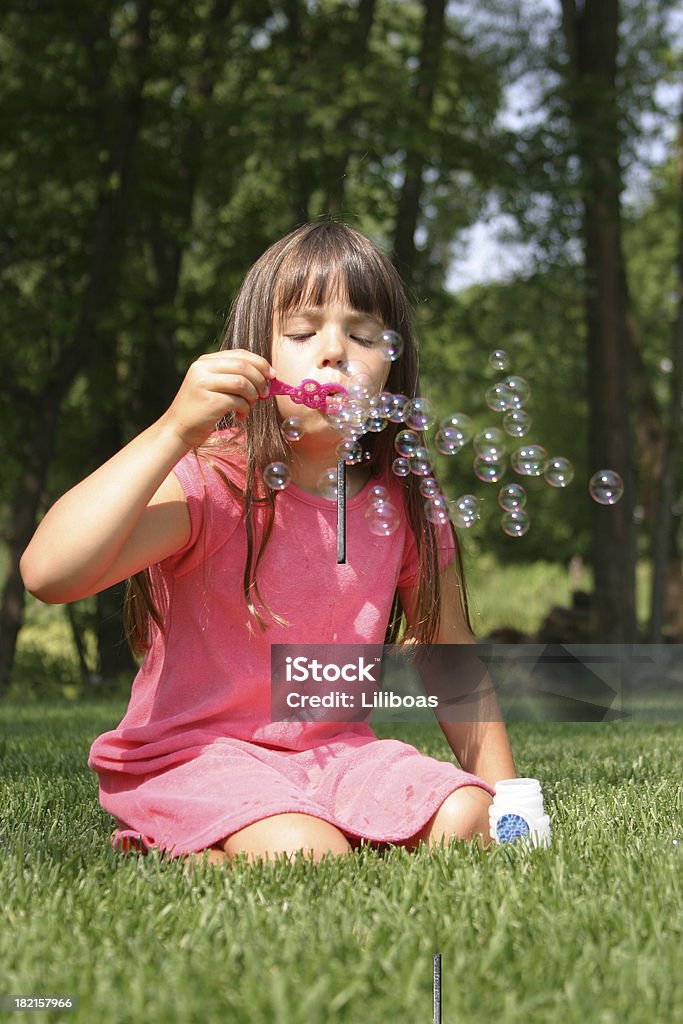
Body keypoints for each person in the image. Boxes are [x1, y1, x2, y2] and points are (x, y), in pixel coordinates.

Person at [20, 221, 516, 866]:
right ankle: (182, 835)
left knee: (468, 815)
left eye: (364, 335)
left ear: (392, 365)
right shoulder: (212, 480)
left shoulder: (404, 499)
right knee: (305, 851)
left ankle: (234, 843)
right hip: (197, 754)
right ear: (257, 357)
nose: (335, 352)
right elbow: (49, 573)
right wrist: (173, 431)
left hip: (338, 755)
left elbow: (447, 649)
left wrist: (511, 799)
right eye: (304, 334)